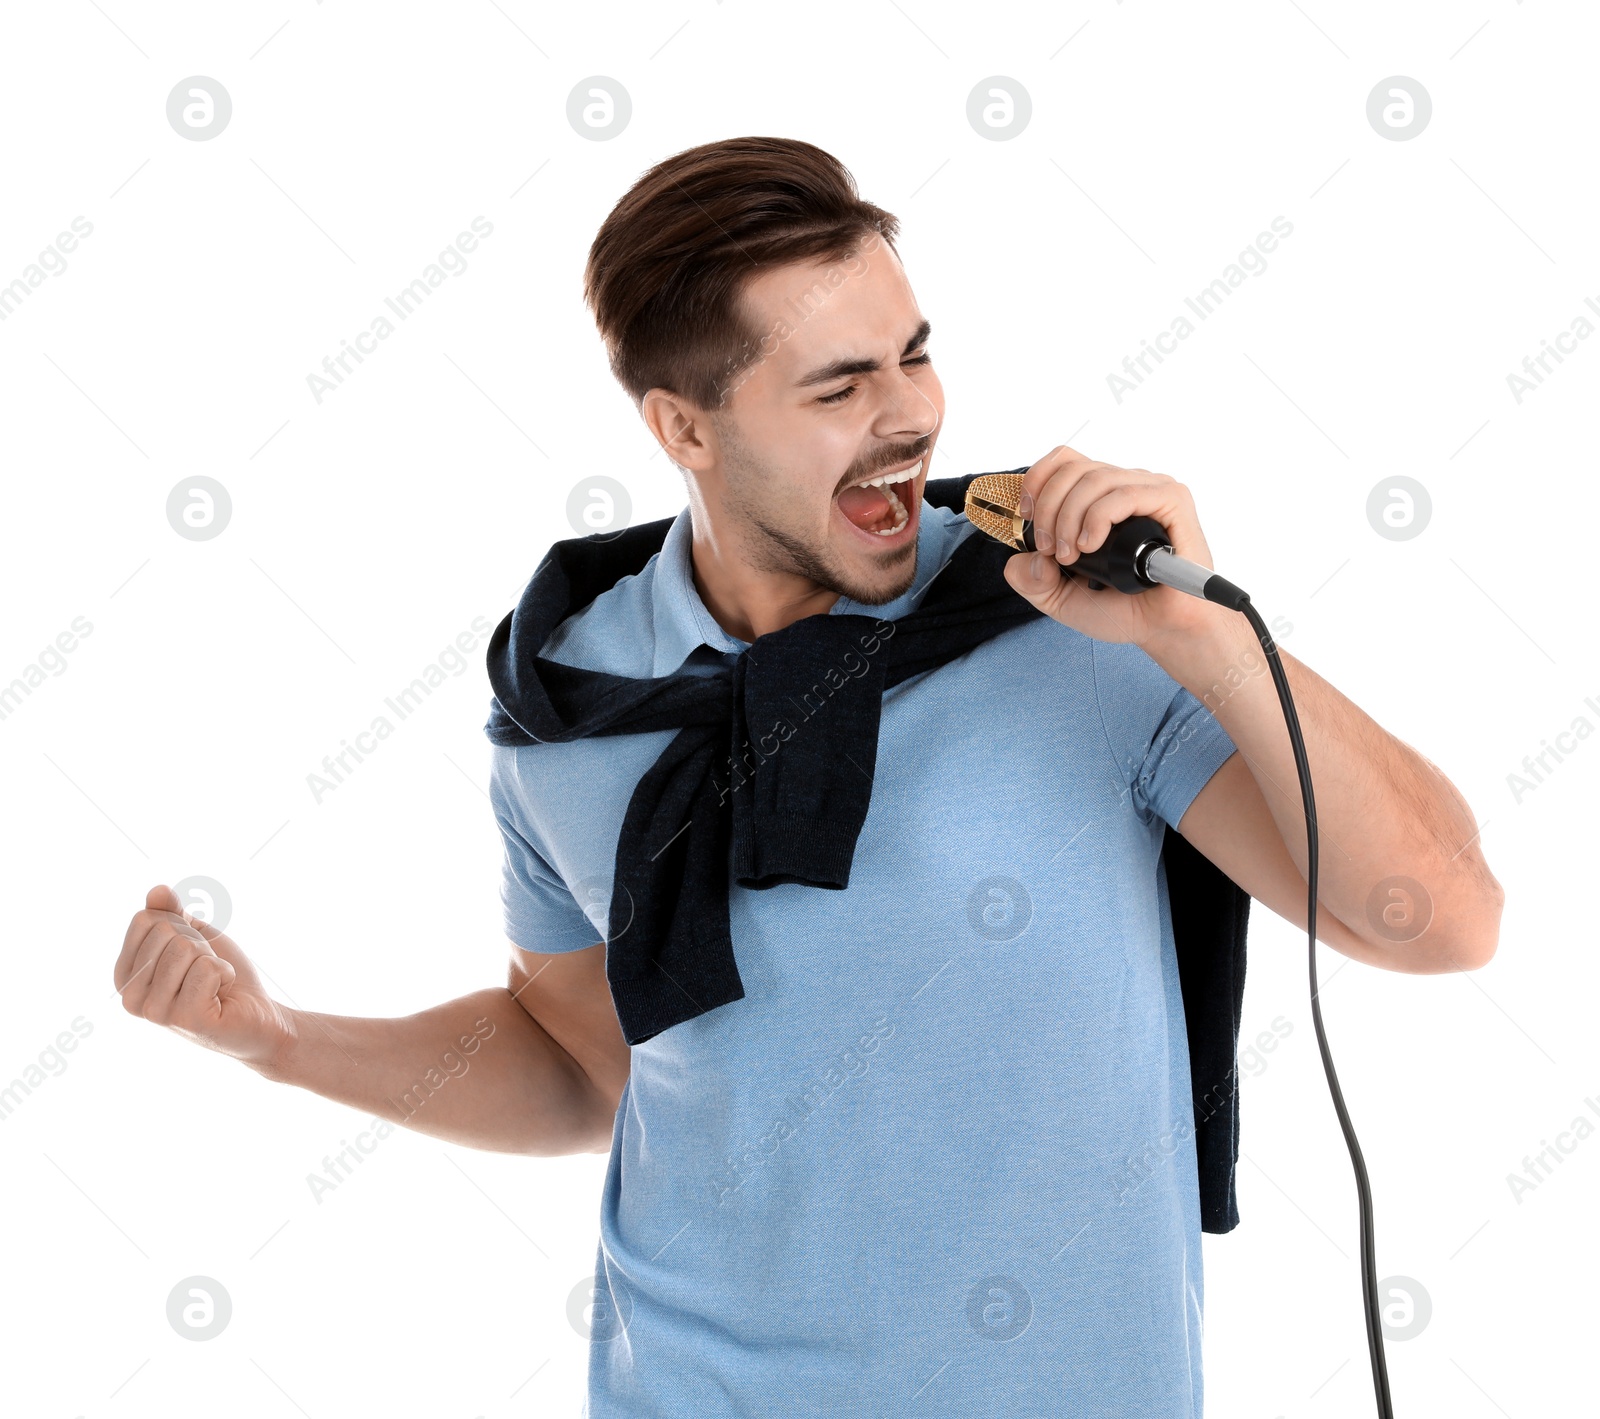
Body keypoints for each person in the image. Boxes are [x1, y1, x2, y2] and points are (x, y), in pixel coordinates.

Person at [115, 136, 1503, 1416]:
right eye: (839, 386)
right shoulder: (569, 698)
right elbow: (580, 1060)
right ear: (686, 430)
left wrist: (1207, 641)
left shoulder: (1071, 622)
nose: (908, 417)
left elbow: (1438, 919)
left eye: (913, 355)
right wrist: (277, 1042)